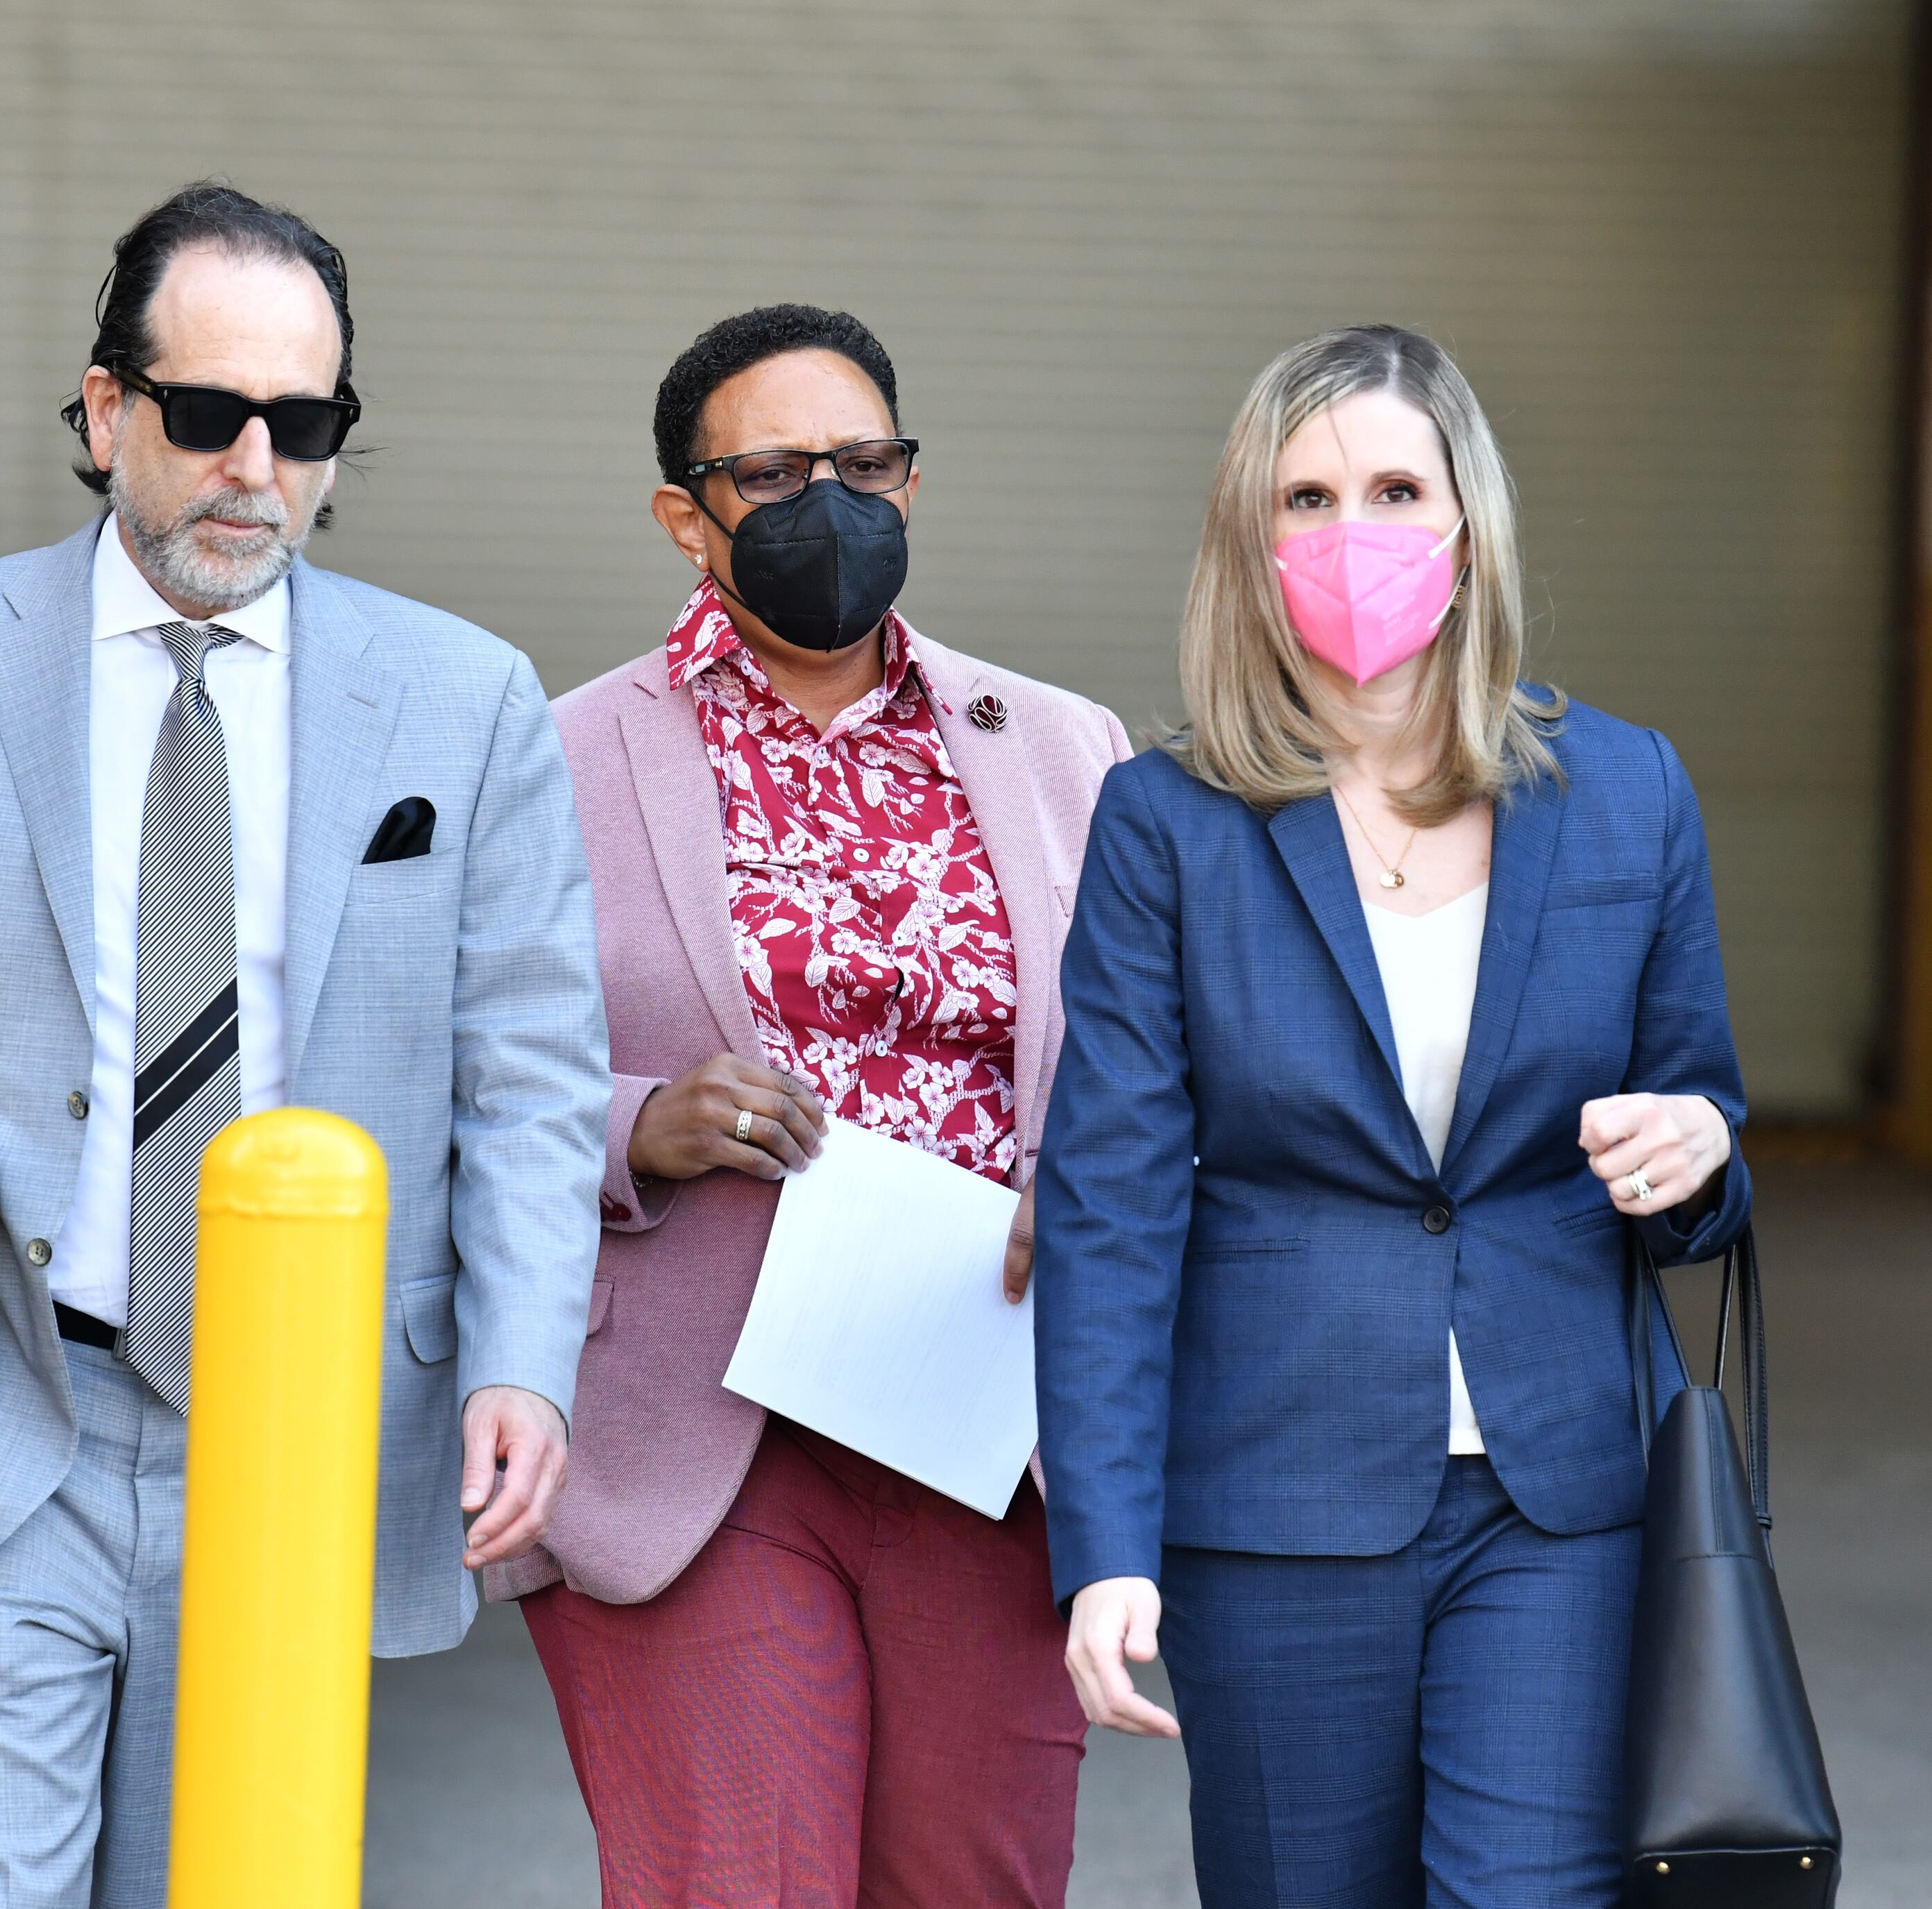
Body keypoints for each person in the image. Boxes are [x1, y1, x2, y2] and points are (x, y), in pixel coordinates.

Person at [0, 182, 609, 1908]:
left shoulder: (466, 698)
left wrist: (526, 1355)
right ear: (105, 411)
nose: (254, 461)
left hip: (305, 1431)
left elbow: (527, 1074)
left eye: (302, 422)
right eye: (207, 411)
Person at [1033, 323, 1752, 1906]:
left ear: (1467, 520)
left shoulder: (1629, 790)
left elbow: (1706, 1112)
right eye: (1305, 497)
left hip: (1560, 1492)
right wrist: (1105, 1541)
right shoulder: (1168, 822)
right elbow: (1110, 1204)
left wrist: (1701, 1151)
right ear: (1250, 537)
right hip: (1274, 1499)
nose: (1350, 531)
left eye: (1392, 486)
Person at [483, 305, 1132, 1907]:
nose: (826, 505)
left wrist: (1102, 1182)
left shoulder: (1065, 751)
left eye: (864, 463)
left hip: (989, 1423)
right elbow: (454, 1070)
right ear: (683, 515)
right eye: (771, 473)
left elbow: (1148, 1063)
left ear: (913, 485)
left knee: (974, 1884)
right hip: (702, 1436)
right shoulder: (552, 756)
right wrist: (638, 1121)